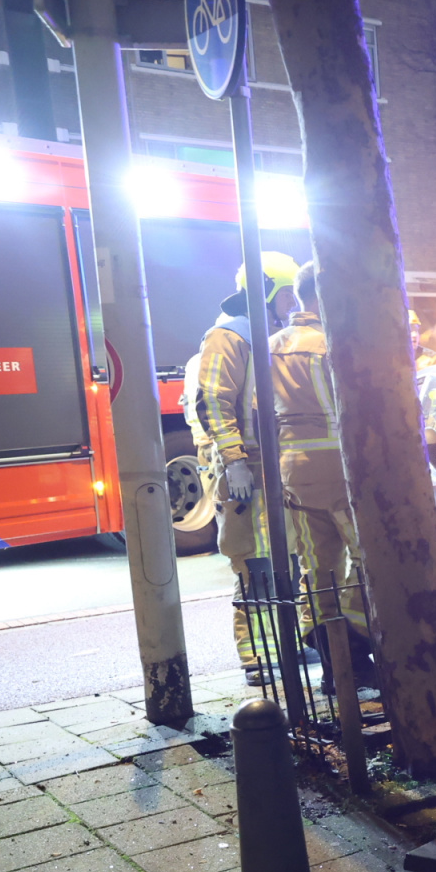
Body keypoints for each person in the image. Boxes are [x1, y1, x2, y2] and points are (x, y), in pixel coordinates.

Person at [185, 251, 301, 685]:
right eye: (286, 295)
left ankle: (285, 647)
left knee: (285, 559)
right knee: (255, 563)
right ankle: (259, 658)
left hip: (273, 468)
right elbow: (214, 401)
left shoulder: (270, 336)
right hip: (247, 471)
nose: (292, 305)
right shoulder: (228, 337)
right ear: (264, 292)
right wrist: (234, 461)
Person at [268, 260, 374, 686]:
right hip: (340, 470)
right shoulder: (333, 343)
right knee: (368, 559)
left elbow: (258, 413)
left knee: (317, 569)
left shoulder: (270, 345)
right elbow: (359, 409)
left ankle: (335, 668)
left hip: (293, 473)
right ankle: (353, 646)